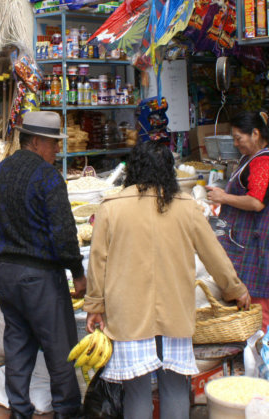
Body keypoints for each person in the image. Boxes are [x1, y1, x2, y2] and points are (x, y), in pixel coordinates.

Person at [85, 141, 250, 419]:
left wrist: (94, 306)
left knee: (136, 392)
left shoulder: (110, 209)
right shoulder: (187, 207)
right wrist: (236, 289)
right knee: (174, 388)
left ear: (133, 169)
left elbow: (97, 263)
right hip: (175, 312)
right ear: (168, 171)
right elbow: (214, 256)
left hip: (128, 316)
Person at [0, 111, 85, 419]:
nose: (57, 150)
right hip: (40, 276)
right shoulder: (47, 176)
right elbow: (64, 232)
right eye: (54, 144)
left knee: (17, 345)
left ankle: (19, 411)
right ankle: (67, 412)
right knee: (60, 349)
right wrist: (78, 272)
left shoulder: (0, 172)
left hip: (7, 272)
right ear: (38, 141)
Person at [206, 111, 269, 332]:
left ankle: (262, 349)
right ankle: (247, 350)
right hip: (245, 242)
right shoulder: (251, 159)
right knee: (244, 299)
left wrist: (223, 197)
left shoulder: (265, 160)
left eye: (238, 138)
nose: (235, 143)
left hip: (255, 244)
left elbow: (256, 202)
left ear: (255, 133)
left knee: (256, 303)